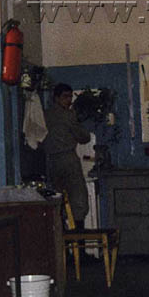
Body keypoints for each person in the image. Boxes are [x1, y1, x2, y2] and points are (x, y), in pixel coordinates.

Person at [44, 83, 91, 225]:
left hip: (51, 161)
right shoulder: (68, 115)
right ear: (56, 98)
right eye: (65, 97)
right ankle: (79, 230)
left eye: (70, 97)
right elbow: (84, 137)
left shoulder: (45, 115)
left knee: (57, 196)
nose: (69, 100)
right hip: (68, 158)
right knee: (78, 195)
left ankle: (61, 229)